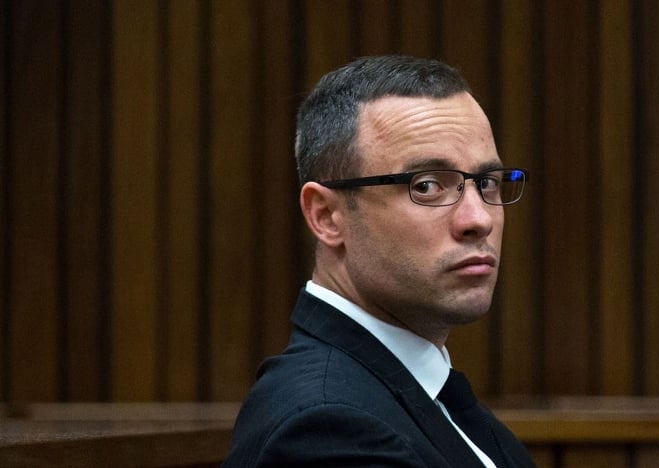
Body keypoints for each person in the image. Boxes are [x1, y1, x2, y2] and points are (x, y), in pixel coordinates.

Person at [222, 55, 534, 467]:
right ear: (326, 216)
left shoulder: (425, 391)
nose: (478, 219)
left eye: (487, 183)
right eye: (426, 186)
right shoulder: (326, 430)